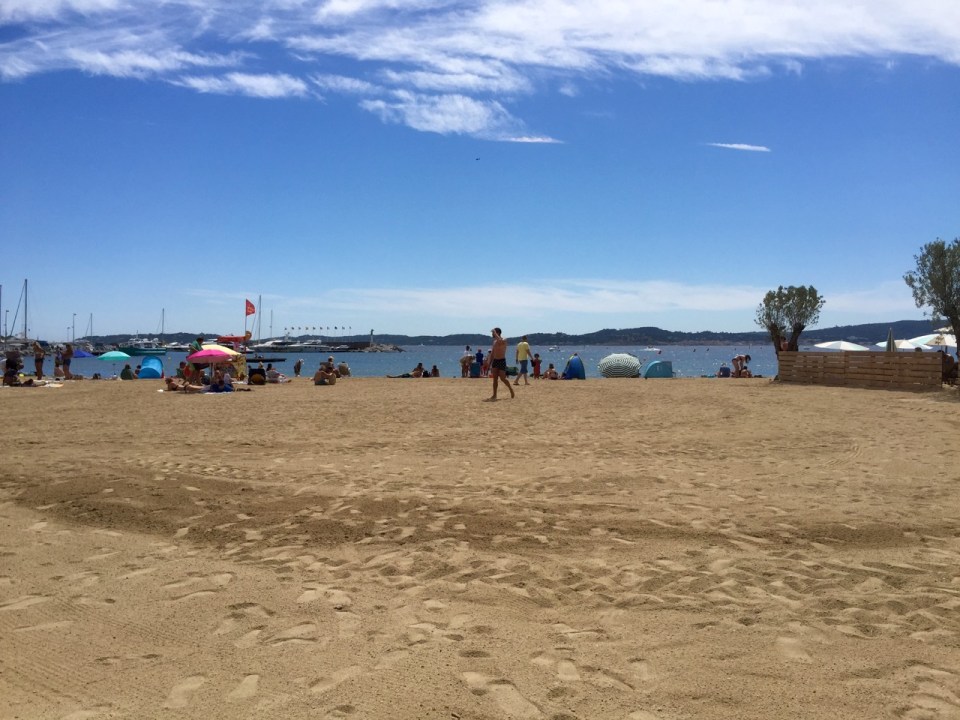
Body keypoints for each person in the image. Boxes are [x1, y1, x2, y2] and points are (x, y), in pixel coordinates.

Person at [485, 328, 515, 401]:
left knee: (502, 378)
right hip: (495, 360)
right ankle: (494, 395)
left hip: (502, 360)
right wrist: (489, 364)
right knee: (495, 379)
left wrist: (495, 333)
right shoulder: (494, 342)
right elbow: (492, 353)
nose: (492, 334)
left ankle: (510, 389)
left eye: (493, 333)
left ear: (497, 332)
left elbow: (500, 342)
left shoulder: (504, 339)